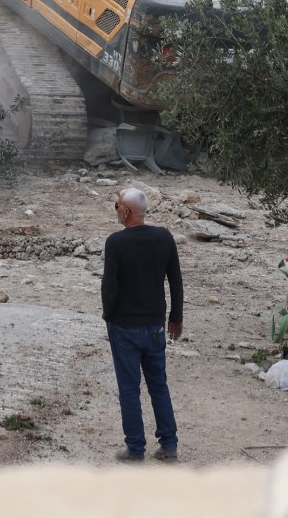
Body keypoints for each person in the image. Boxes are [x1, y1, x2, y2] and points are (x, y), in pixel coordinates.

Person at [101, 187, 183, 463]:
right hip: (155, 325)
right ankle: (169, 444)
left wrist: (109, 315)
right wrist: (176, 317)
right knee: (159, 385)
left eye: (117, 206)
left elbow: (109, 286)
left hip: (124, 326)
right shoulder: (164, 237)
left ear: (126, 211)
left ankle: (135, 448)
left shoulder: (115, 243)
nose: (116, 210)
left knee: (129, 389)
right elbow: (175, 280)